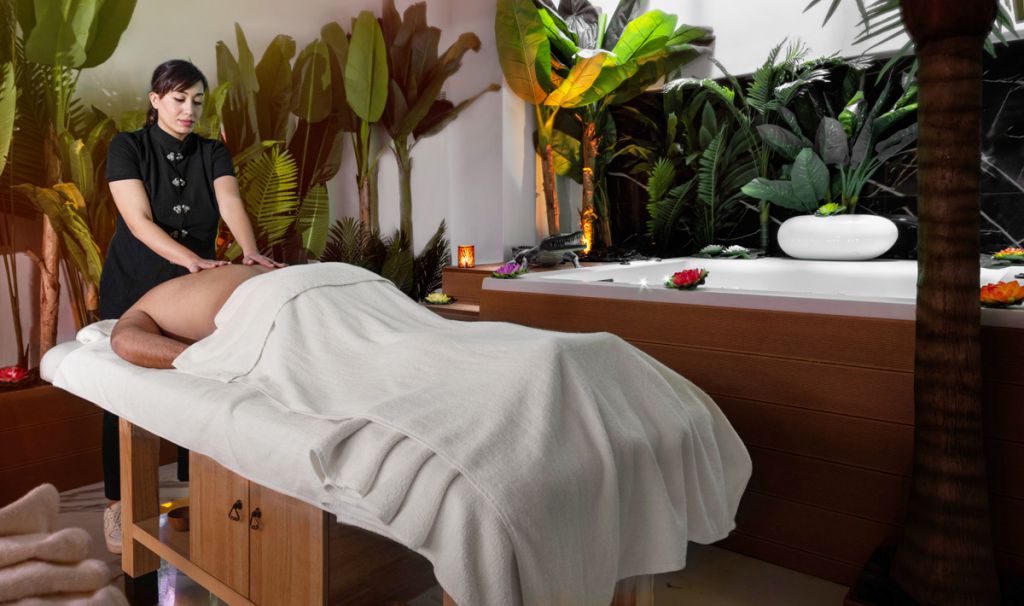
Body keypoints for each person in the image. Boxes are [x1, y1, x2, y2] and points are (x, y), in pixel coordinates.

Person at [98, 59, 284, 554]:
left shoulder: (211, 151)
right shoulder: (128, 147)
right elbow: (138, 221)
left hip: (191, 289)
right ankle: (117, 504)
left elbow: (230, 203)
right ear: (155, 99)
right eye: (179, 99)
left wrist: (249, 252)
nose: (189, 110)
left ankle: (195, 489)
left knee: (197, 383)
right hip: (134, 281)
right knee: (119, 395)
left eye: (197, 101)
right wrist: (191, 260)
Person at [110, 264, 273, 369]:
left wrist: (206, 359)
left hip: (262, 298)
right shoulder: (153, 303)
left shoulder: (143, 310)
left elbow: (122, 341)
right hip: (278, 276)